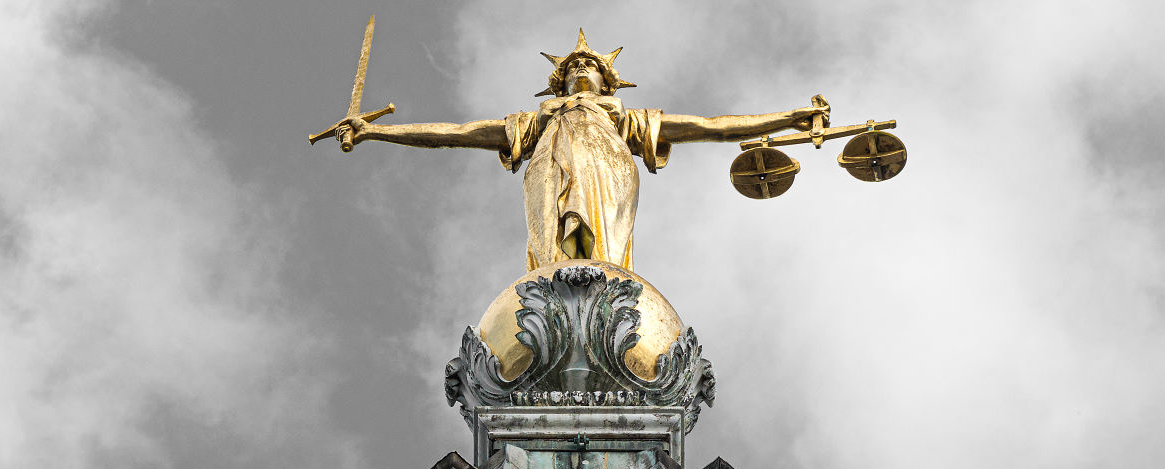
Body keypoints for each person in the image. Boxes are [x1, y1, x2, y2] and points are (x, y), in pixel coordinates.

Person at [333, 31, 829, 271]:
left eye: (589, 65)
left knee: (604, 262)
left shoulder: (622, 118)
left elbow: (710, 125)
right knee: (552, 260)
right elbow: (460, 132)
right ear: (559, 82)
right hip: (548, 170)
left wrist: (788, 118)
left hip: (608, 170)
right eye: (572, 67)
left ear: (608, 80)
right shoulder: (539, 121)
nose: (580, 69)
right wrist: (379, 133)